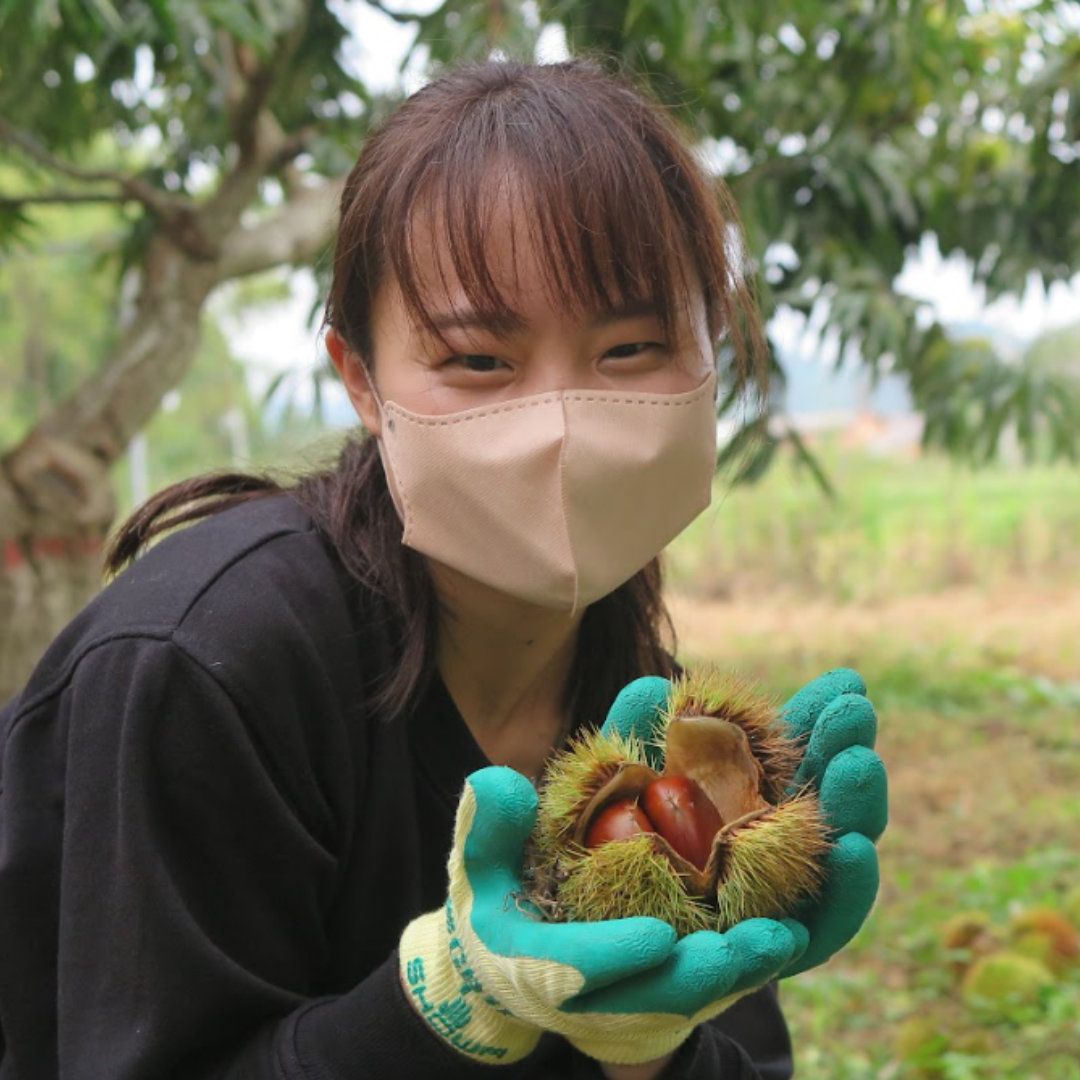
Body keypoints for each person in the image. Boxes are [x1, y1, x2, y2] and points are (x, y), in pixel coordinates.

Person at [0, 59, 887, 1080]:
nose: (563, 427)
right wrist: (449, 1001)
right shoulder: (203, 665)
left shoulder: (633, 692)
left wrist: (644, 1051)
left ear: (711, 355)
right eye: (478, 360)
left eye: (632, 347)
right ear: (363, 383)